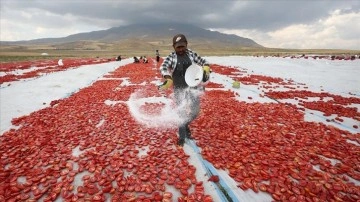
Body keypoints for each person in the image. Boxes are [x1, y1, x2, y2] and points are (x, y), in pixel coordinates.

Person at [158, 34, 211, 146]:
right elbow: (163, 67)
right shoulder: (171, 57)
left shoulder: (191, 54)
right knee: (181, 112)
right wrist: (168, 78)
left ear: (186, 44)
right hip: (179, 88)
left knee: (195, 111)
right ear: (174, 47)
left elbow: (204, 61)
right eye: (178, 47)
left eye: (183, 46)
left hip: (192, 87)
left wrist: (206, 68)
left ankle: (185, 124)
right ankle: (182, 137)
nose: (181, 49)